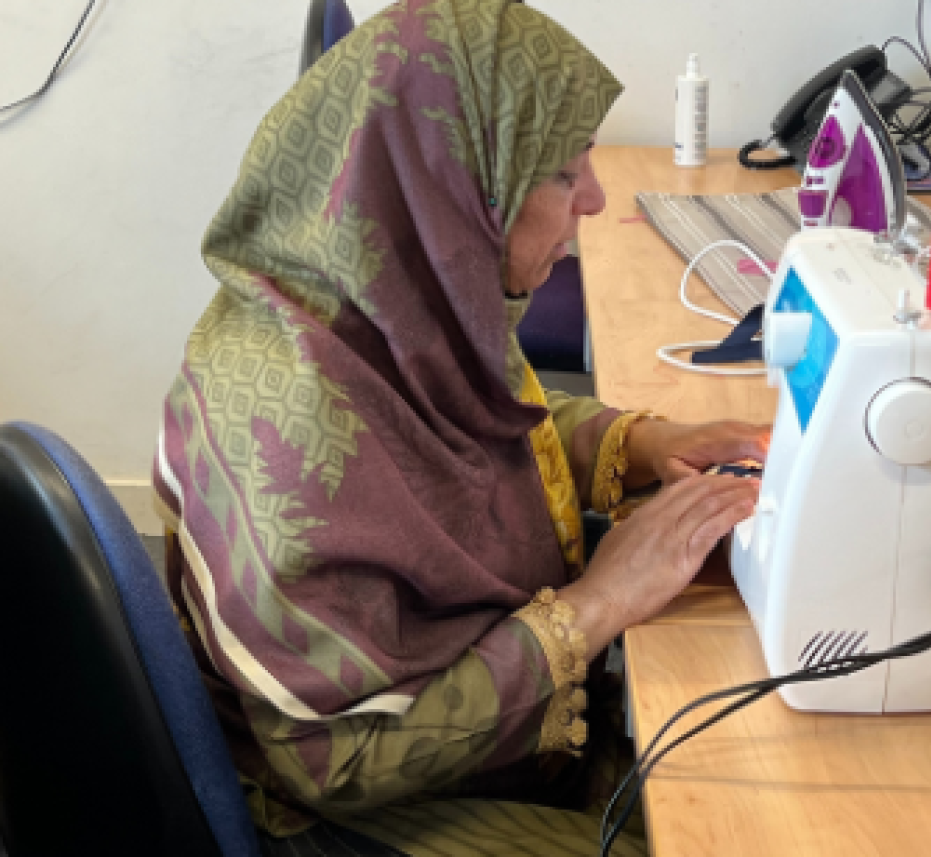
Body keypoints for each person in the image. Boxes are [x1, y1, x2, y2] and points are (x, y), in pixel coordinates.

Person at [153, 1, 766, 854]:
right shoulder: (299, 450)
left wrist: (631, 443)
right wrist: (597, 605)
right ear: (447, 183)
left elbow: (462, 418)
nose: (594, 197)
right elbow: (341, 758)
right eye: (560, 174)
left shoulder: (378, 301)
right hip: (348, 810)